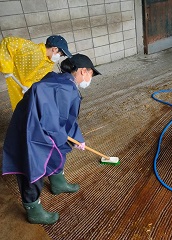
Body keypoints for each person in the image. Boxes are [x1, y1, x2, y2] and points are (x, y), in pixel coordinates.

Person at [2, 54, 101, 224]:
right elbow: (53, 123)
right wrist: (71, 138)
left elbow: (66, 120)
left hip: (37, 125)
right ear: (83, 71)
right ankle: (34, 210)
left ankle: (58, 183)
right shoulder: (65, 89)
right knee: (33, 165)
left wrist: (77, 138)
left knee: (60, 149)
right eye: (91, 74)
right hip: (31, 131)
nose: (90, 78)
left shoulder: (59, 80)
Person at [0, 35, 72, 110]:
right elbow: (7, 42)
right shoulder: (32, 49)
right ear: (55, 49)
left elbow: (39, 79)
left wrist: (31, 87)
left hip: (25, 88)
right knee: (20, 107)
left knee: (28, 109)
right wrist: (7, 68)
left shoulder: (49, 64)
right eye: (60, 54)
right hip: (15, 81)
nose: (59, 57)